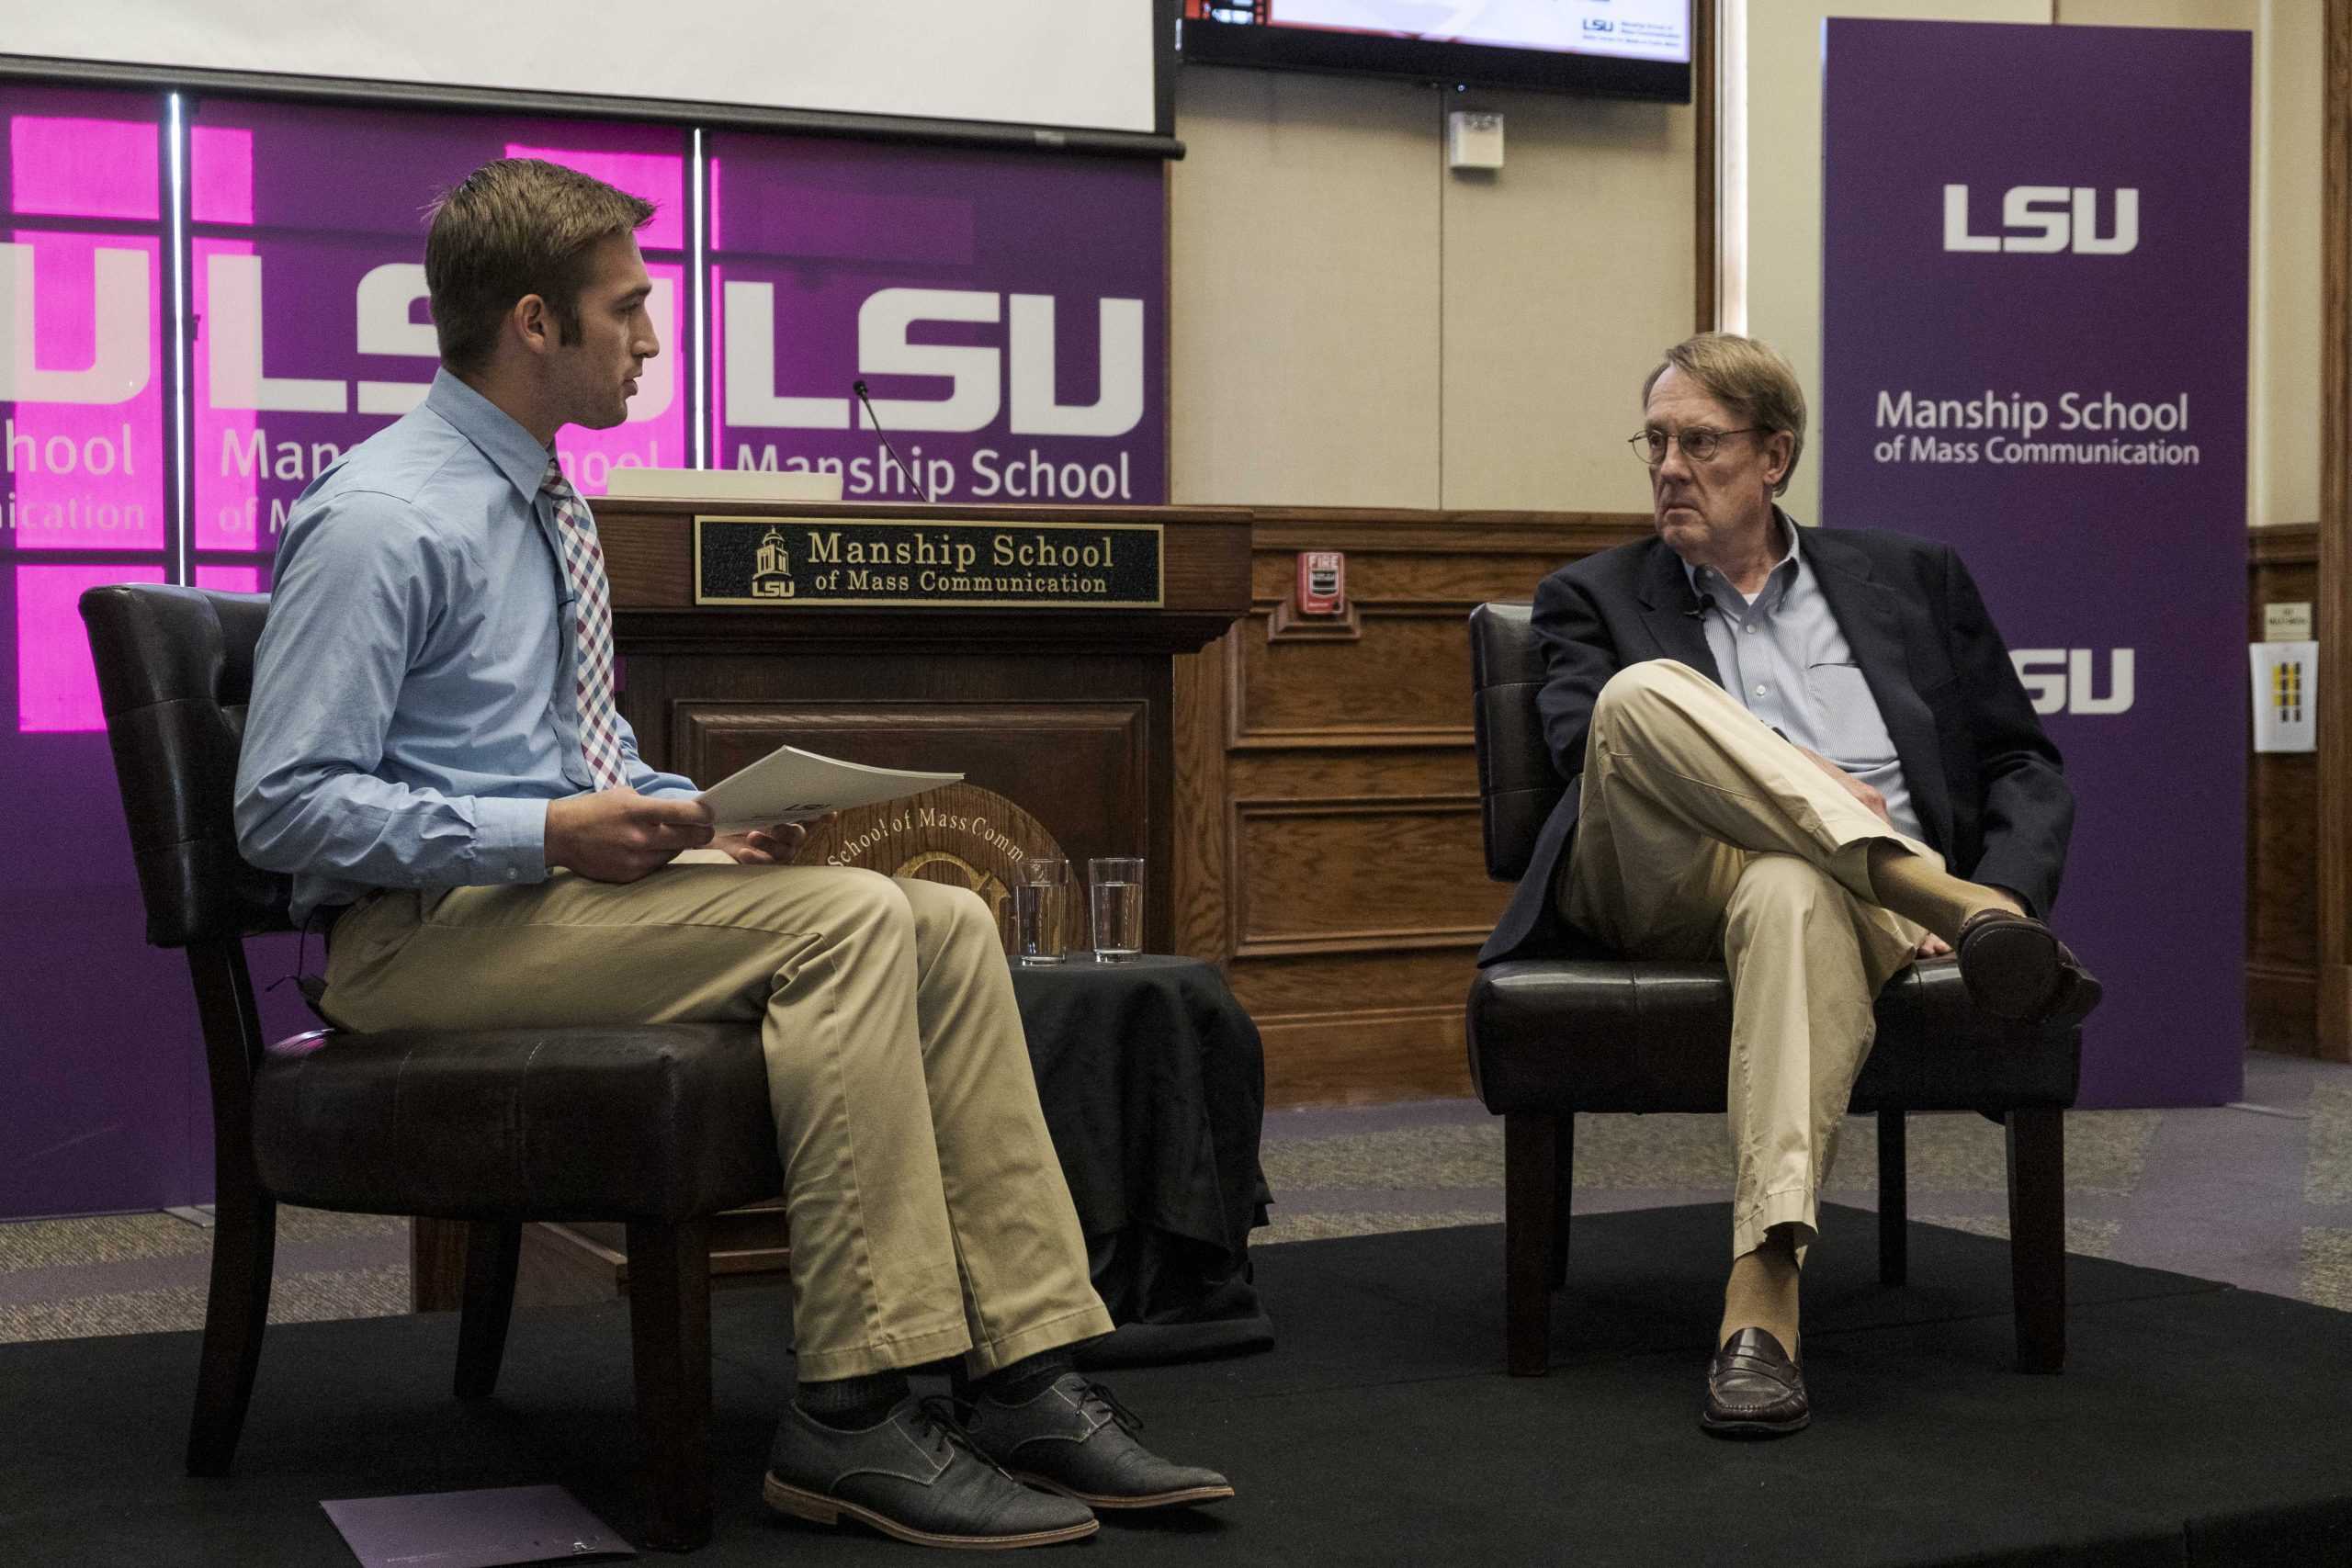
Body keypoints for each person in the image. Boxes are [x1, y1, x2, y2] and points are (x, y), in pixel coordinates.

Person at [232, 158, 1231, 1549]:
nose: (651, 338)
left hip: (535, 898)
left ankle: (1020, 1366)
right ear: (535, 322)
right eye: (628, 309)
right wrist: (550, 828)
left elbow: (563, 743)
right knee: (851, 921)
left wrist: (678, 807)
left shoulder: (545, 498)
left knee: (931, 918)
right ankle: (853, 1411)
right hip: (416, 938)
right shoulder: (383, 517)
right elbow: (281, 807)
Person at [1479, 332, 2099, 1438]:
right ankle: (1947, 902)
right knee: (1638, 699)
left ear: (1773, 457)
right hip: (1664, 880)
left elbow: (2021, 761)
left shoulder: (1911, 578)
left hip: (1831, 911)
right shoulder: (1590, 595)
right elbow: (1591, 759)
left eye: (1701, 443)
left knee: (1791, 888)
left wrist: (2005, 870)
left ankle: (1760, 1308)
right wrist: (1813, 778)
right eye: (1656, 441)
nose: (1670, 466)